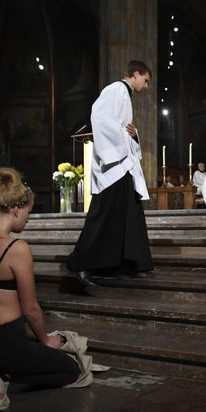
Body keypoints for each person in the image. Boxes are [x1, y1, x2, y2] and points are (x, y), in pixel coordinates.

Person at [0, 168, 80, 411]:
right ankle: (1, 378)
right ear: (15, 209)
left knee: (26, 353)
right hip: (4, 343)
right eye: (28, 212)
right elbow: (30, 309)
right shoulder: (16, 248)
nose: (28, 218)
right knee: (69, 370)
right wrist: (46, 340)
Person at [68, 60, 154, 285]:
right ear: (136, 74)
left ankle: (129, 264)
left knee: (129, 216)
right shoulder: (115, 89)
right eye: (145, 81)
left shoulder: (124, 94)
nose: (146, 87)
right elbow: (99, 118)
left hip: (123, 164)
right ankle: (82, 263)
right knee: (103, 214)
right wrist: (122, 142)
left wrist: (133, 135)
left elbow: (123, 128)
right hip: (114, 164)